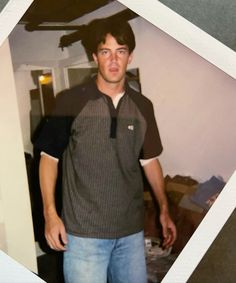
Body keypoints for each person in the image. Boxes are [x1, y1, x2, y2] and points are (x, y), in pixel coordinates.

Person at [35, 18, 177, 283]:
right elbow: (48, 159)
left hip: (131, 234)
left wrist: (164, 209)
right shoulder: (71, 101)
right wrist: (50, 215)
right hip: (84, 236)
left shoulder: (143, 107)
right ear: (94, 57)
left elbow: (150, 161)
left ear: (129, 56)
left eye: (120, 51)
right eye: (105, 52)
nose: (113, 60)